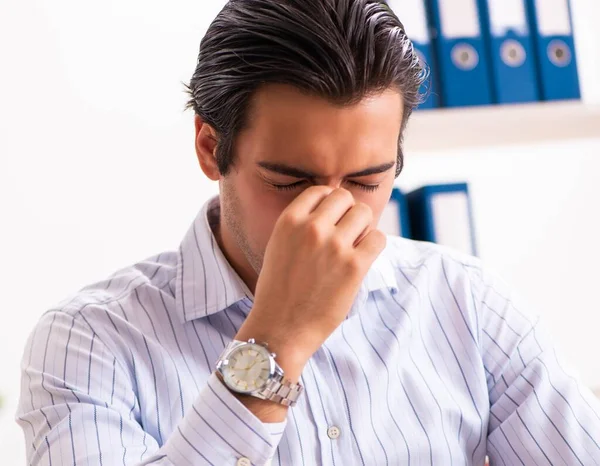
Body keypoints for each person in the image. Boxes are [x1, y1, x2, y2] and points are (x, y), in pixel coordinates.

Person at [17, 0, 600, 465]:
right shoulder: (88, 342)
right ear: (210, 147)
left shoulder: (470, 306)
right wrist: (274, 342)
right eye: (293, 182)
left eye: (367, 181)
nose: (332, 215)